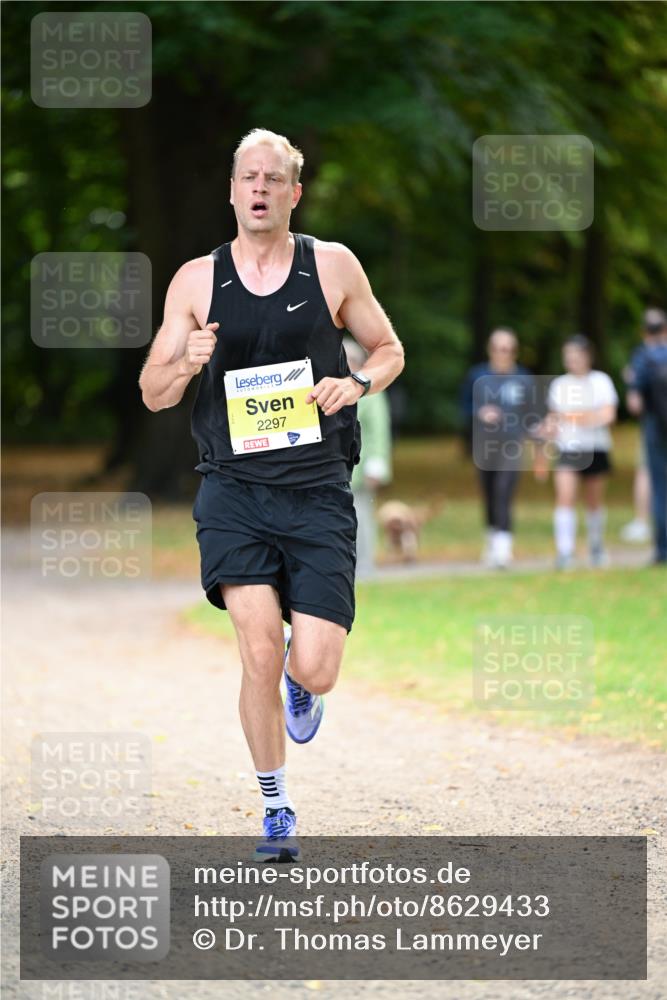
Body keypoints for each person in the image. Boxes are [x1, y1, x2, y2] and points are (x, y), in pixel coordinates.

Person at [139, 129, 404, 859]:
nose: (259, 188)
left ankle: (302, 681)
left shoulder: (331, 266)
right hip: (232, 491)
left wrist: (356, 383)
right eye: (247, 177)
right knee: (257, 648)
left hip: (318, 489)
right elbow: (153, 393)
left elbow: (389, 349)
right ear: (231, 190)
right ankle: (276, 806)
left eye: (273, 178)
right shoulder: (196, 281)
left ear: (293, 192)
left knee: (312, 665)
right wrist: (185, 364)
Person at [461, 328, 537, 569]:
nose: (502, 353)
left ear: (514, 352)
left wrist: (537, 431)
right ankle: (492, 540)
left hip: (512, 445)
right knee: (490, 493)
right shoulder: (477, 375)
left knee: (504, 491)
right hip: (484, 445)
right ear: (490, 350)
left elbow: (532, 414)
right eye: (498, 348)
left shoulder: (524, 378)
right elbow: (464, 405)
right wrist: (480, 412)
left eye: (507, 349)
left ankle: (503, 549)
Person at [544, 335, 618, 569]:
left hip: (595, 448)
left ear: (588, 356)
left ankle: (595, 546)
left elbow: (607, 415)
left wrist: (575, 417)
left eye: (577, 355)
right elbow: (554, 418)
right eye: (568, 356)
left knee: (593, 501)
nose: (572, 360)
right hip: (569, 448)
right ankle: (565, 551)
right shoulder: (560, 385)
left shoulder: (601, 381)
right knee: (565, 497)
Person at [343, 337, 393, 578]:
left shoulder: (370, 390)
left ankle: (365, 563)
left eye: (350, 359)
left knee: (361, 514)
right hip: (336, 469)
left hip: (362, 469)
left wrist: (377, 466)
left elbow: (379, 431)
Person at [626, 308, 667, 565]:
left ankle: (663, 549)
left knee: (660, 487)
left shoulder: (642, 357)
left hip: (655, 429)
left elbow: (634, 404)